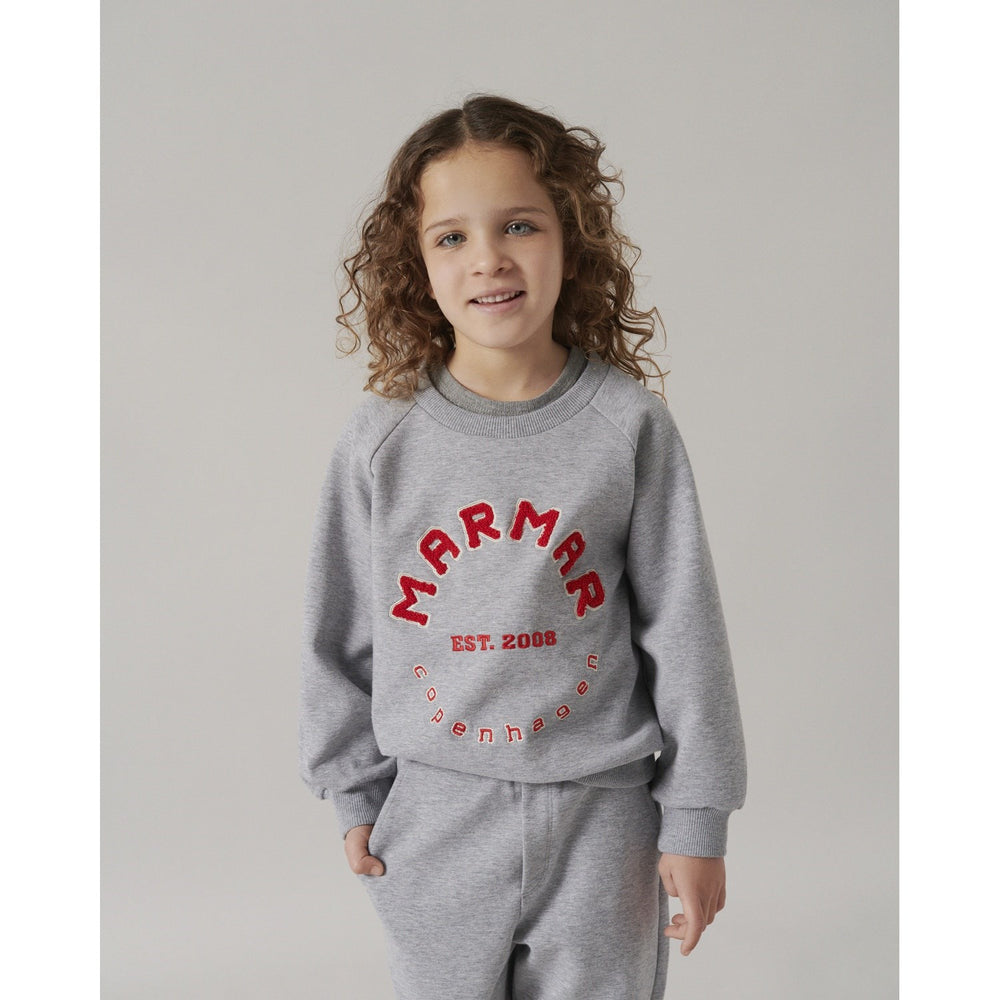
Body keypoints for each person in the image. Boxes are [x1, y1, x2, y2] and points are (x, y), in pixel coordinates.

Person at [299, 93, 747, 1000]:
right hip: (435, 817)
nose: (489, 258)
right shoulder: (382, 440)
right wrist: (354, 791)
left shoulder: (627, 427)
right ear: (416, 265)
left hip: (603, 821)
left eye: (519, 225)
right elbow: (338, 632)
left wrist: (697, 819)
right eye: (452, 237)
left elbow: (685, 631)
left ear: (570, 239)